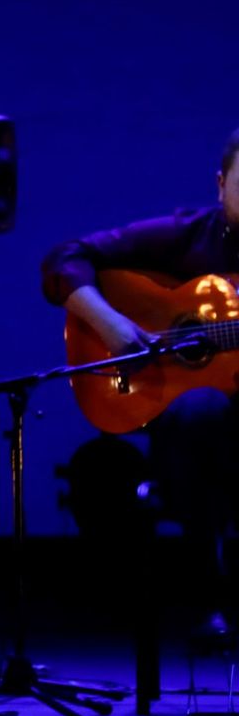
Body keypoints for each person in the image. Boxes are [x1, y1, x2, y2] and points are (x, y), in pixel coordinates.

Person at [39, 126, 238, 640]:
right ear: (221, 185)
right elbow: (64, 258)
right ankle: (211, 590)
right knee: (202, 412)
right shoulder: (189, 233)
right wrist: (110, 324)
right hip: (196, 434)